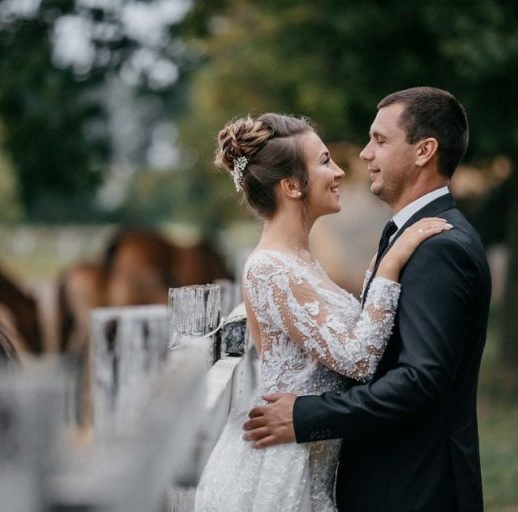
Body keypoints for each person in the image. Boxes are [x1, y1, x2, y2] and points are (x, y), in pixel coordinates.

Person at [242, 87, 492, 511]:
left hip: (415, 486)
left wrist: (306, 416)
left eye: (380, 140)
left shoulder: (439, 246)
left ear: (424, 151)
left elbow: (421, 379)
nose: (362, 155)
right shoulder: (407, 238)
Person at [193, 112, 451, 512]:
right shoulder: (270, 269)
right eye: (325, 161)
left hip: (314, 459)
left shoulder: (300, 261)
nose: (339, 172)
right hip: (282, 469)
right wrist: (390, 264)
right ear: (292, 185)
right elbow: (359, 359)